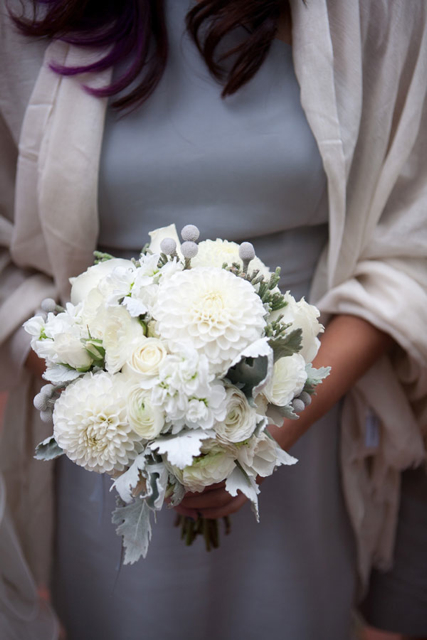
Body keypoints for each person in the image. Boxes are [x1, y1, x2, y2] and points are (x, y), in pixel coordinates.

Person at [0, 0, 426, 638]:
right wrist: (115, 407)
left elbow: (410, 235)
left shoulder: (375, 12)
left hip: (308, 429)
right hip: (109, 447)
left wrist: (275, 426)